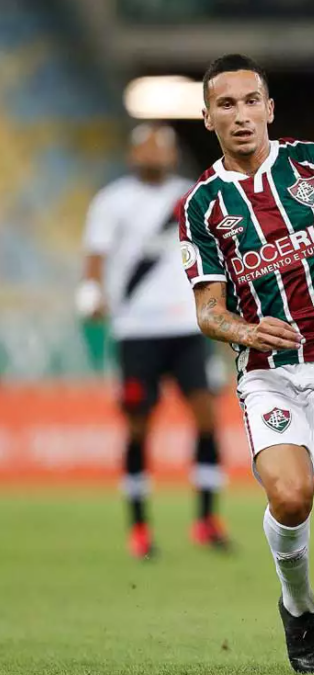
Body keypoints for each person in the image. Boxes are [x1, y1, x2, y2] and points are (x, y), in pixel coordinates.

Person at [181, 53, 314, 674]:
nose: (242, 115)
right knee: (290, 495)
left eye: (252, 101)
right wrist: (248, 329)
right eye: (226, 105)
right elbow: (208, 311)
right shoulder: (202, 206)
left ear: (270, 108)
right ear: (207, 118)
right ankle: (299, 614)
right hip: (271, 370)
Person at [79, 123, 228, 559]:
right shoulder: (111, 200)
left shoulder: (190, 195)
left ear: (171, 155)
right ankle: (140, 527)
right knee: (138, 424)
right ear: (132, 155)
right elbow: (95, 256)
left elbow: (213, 252)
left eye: (162, 150)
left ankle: (206, 520)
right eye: (147, 149)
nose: (155, 156)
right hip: (136, 330)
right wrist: (91, 292)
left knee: (206, 417)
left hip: (187, 327)